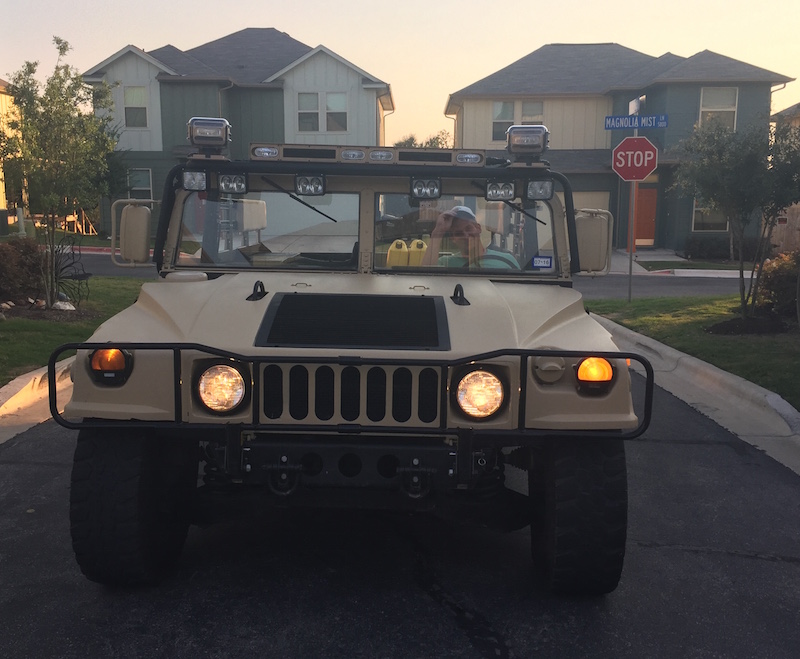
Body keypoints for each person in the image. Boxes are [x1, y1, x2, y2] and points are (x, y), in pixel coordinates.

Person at [420, 205, 519, 269]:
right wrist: (438, 231)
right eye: (458, 233)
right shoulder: (445, 263)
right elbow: (427, 279)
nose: (466, 235)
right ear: (453, 239)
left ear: (478, 228)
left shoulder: (507, 260)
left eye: (468, 229)